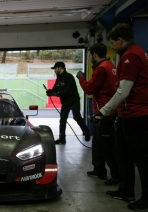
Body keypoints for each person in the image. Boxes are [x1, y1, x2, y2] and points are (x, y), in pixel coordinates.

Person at [97, 23, 148, 211]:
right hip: (127, 114)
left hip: (138, 116)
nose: (112, 46)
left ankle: (146, 198)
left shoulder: (131, 56)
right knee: (123, 154)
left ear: (121, 40)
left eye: (113, 42)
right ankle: (126, 190)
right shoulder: (134, 53)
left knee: (142, 160)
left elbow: (123, 91)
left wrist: (103, 111)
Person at [76, 43, 119, 185]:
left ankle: (115, 175)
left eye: (89, 55)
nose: (89, 58)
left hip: (105, 112)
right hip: (107, 110)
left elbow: (89, 89)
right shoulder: (110, 66)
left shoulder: (101, 69)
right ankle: (99, 169)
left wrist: (81, 78)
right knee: (98, 143)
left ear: (94, 54)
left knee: (107, 146)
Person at [46, 61, 90, 144]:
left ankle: (86, 131)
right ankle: (62, 139)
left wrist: (56, 94)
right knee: (62, 120)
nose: (54, 71)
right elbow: (55, 89)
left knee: (76, 116)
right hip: (65, 102)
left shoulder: (69, 77)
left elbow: (67, 91)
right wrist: (50, 91)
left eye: (55, 69)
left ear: (60, 68)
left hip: (74, 100)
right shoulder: (58, 78)